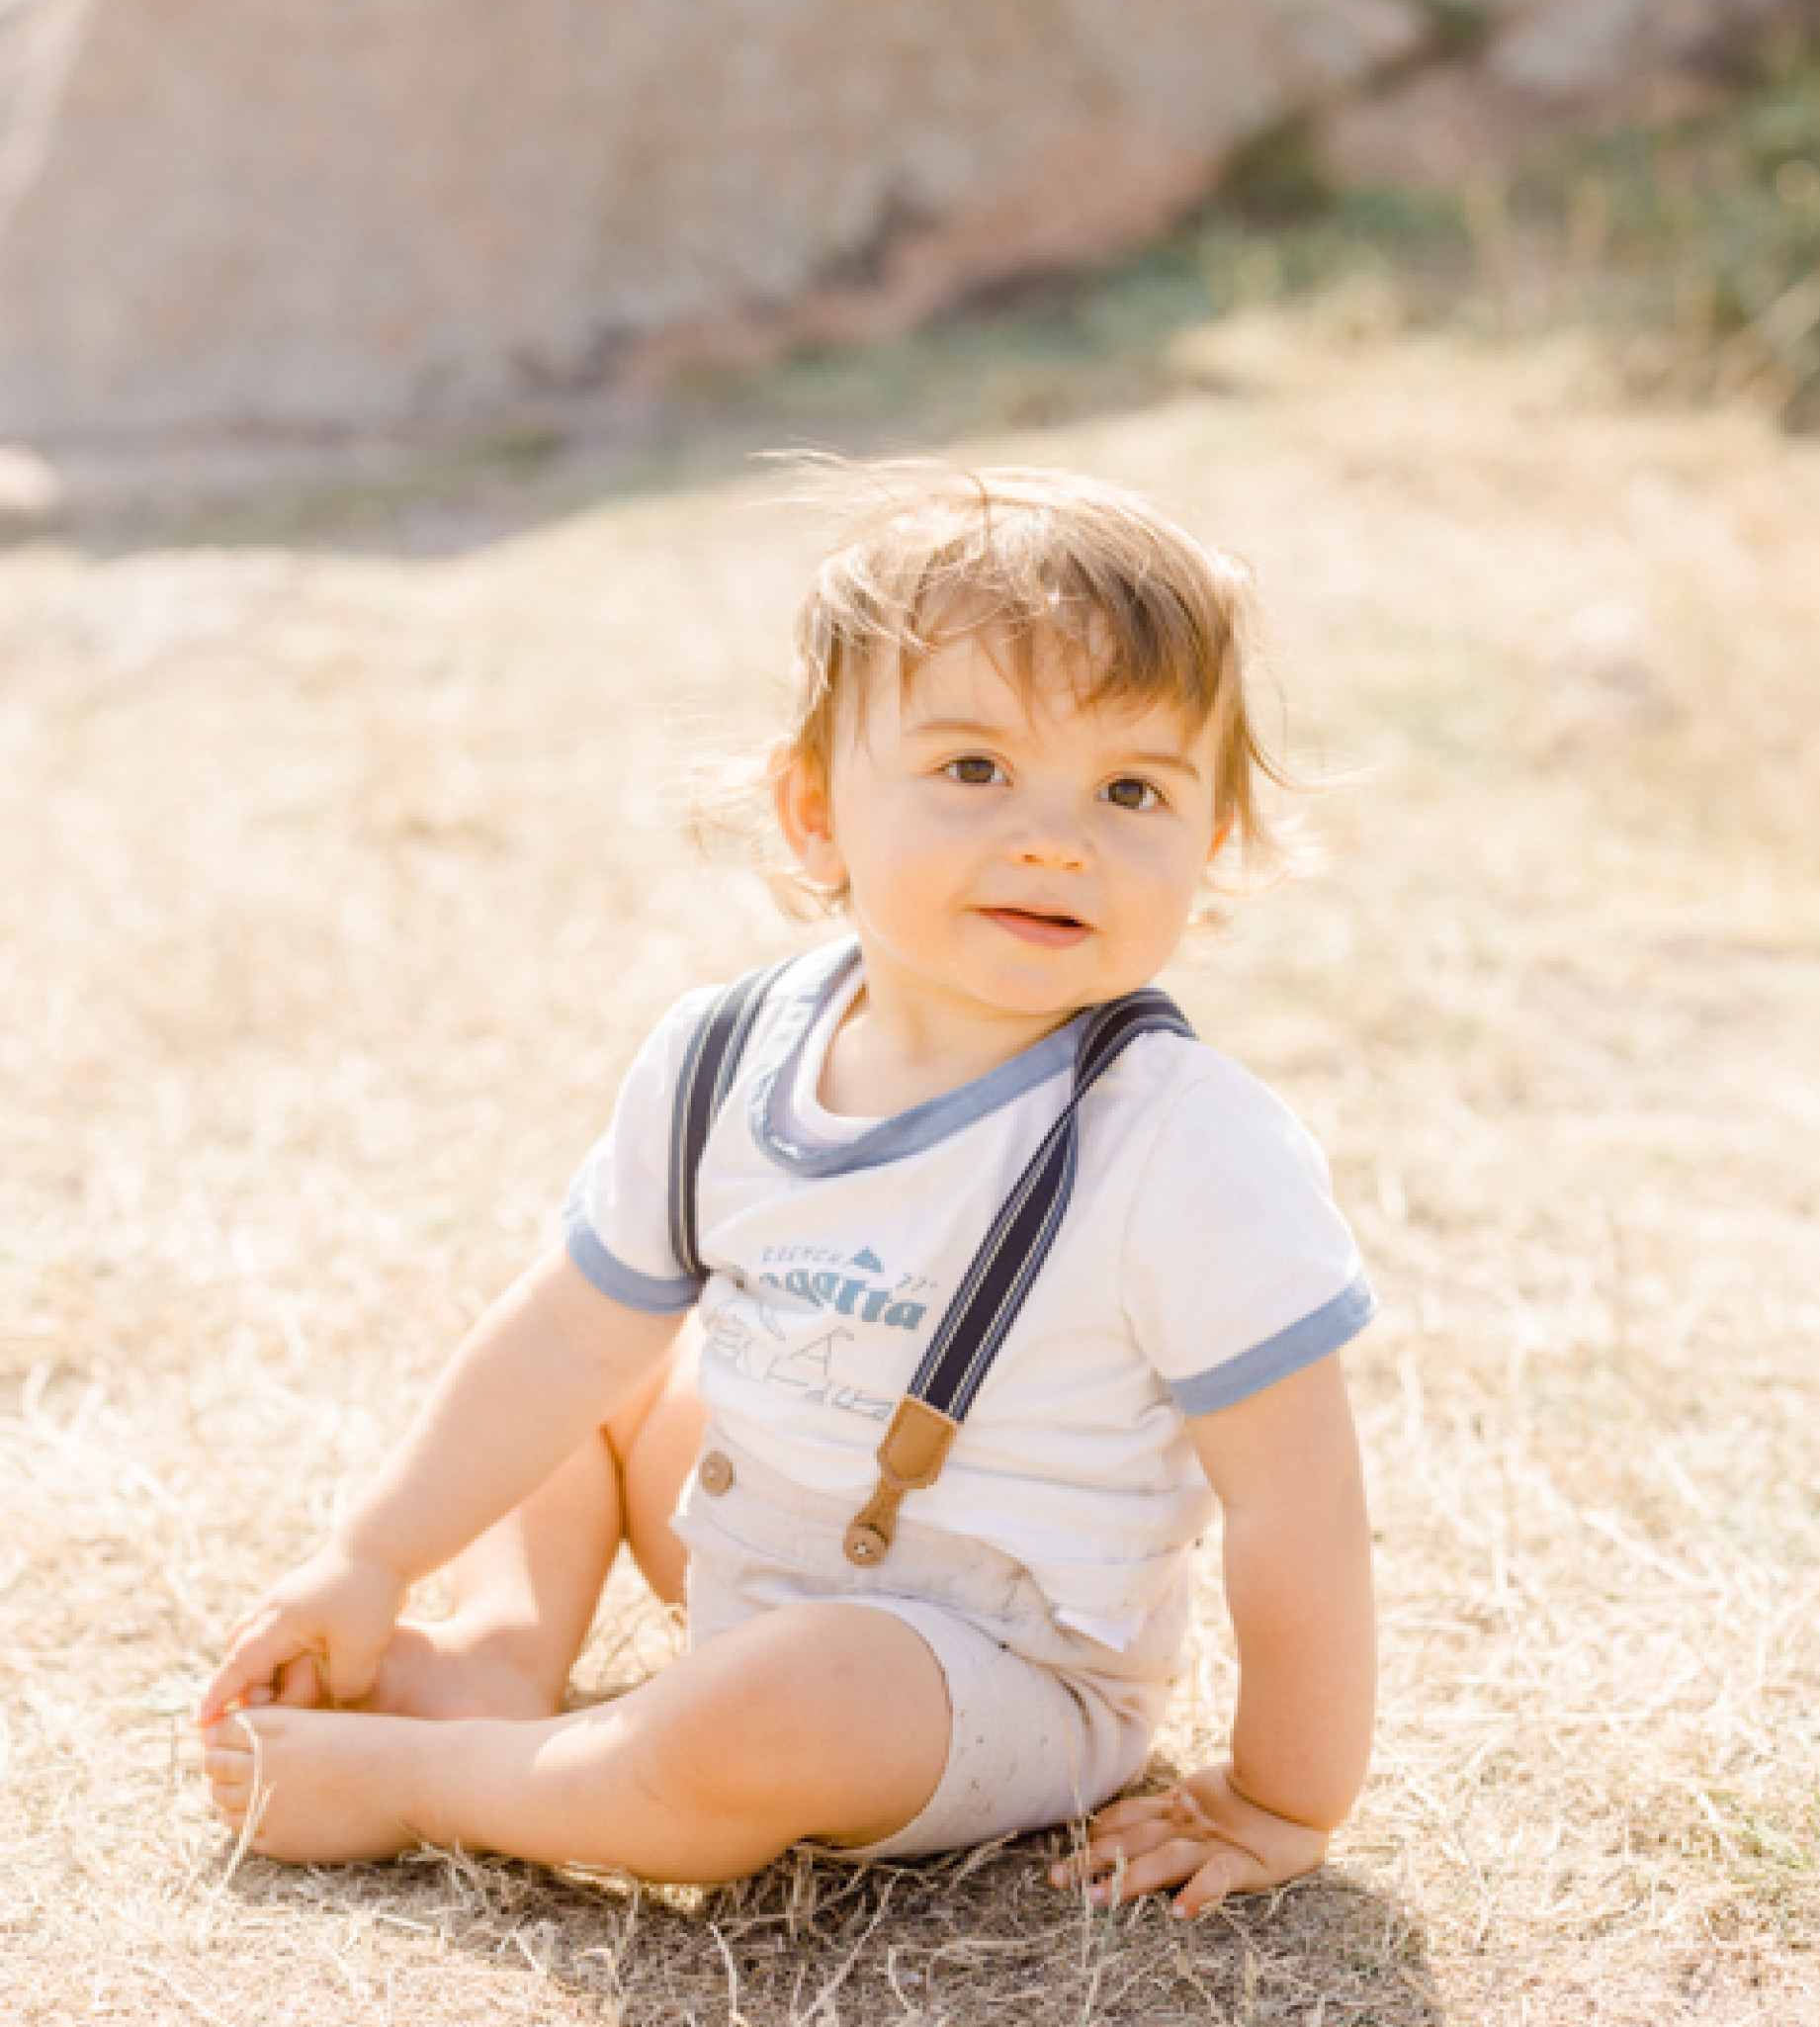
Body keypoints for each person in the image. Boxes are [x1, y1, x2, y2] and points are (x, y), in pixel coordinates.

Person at [199, 465, 1377, 1919]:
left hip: (976, 1676)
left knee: (777, 1704)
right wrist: (369, 1559)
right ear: (814, 811)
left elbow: (1300, 1508)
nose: (1056, 836)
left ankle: (438, 1783)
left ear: (1211, 845)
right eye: (974, 770)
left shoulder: (1186, 1147)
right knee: (592, 1370)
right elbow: (564, 1337)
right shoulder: (724, 1053)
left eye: (1132, 790)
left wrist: (1281, 1795)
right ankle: (503, 1648)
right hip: (754, 1553)